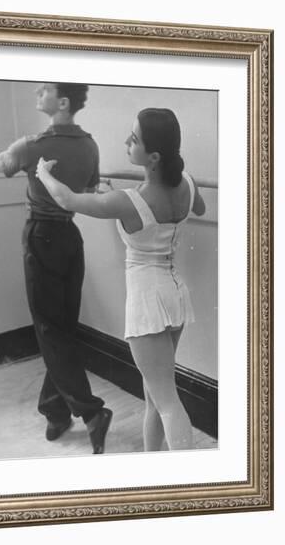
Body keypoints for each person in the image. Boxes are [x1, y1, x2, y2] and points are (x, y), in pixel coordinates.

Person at [36, 107, 206, 451]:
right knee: (155, 396)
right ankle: (152, 469)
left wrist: (43, 173)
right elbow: (198, 208)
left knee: (167, 402)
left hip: (148, 303)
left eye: (135, 139)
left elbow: (66, 198)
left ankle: (187, 484)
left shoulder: (127, 201)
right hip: (173, 296)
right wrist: (118, 194)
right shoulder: (186, 184)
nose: (127, 142)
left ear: (153, 156)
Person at [0, 83, 112, 454]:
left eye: (46, 89)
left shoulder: (32, 144)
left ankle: (91, 412)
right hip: (71, 238)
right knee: (62, 328)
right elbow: (92, 187)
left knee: (50, 330)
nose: (37, 91)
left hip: (41, 238)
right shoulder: (90, 145)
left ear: (62, 103)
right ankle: (55, 410)